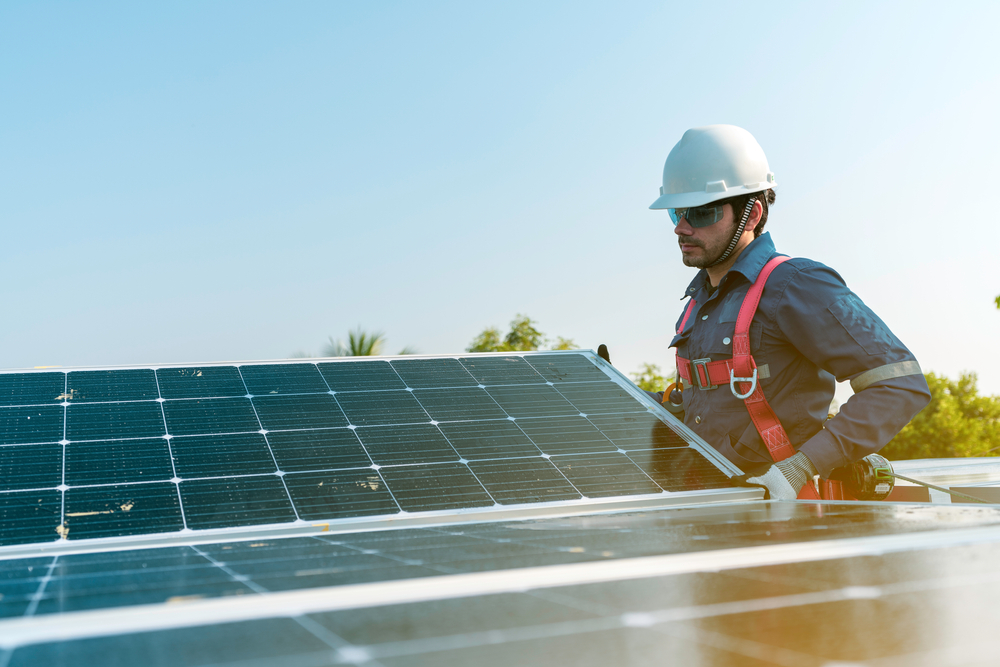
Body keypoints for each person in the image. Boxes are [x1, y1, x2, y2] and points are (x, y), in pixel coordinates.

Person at [646, 125, 930, 499]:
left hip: (785, 521)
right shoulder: (699, 299)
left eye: (701, 213)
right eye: (678, 213)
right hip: (710, 510)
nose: (681, 228)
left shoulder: (795, 284)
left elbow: (899, 384)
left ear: (750, 215)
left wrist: (802, 467)